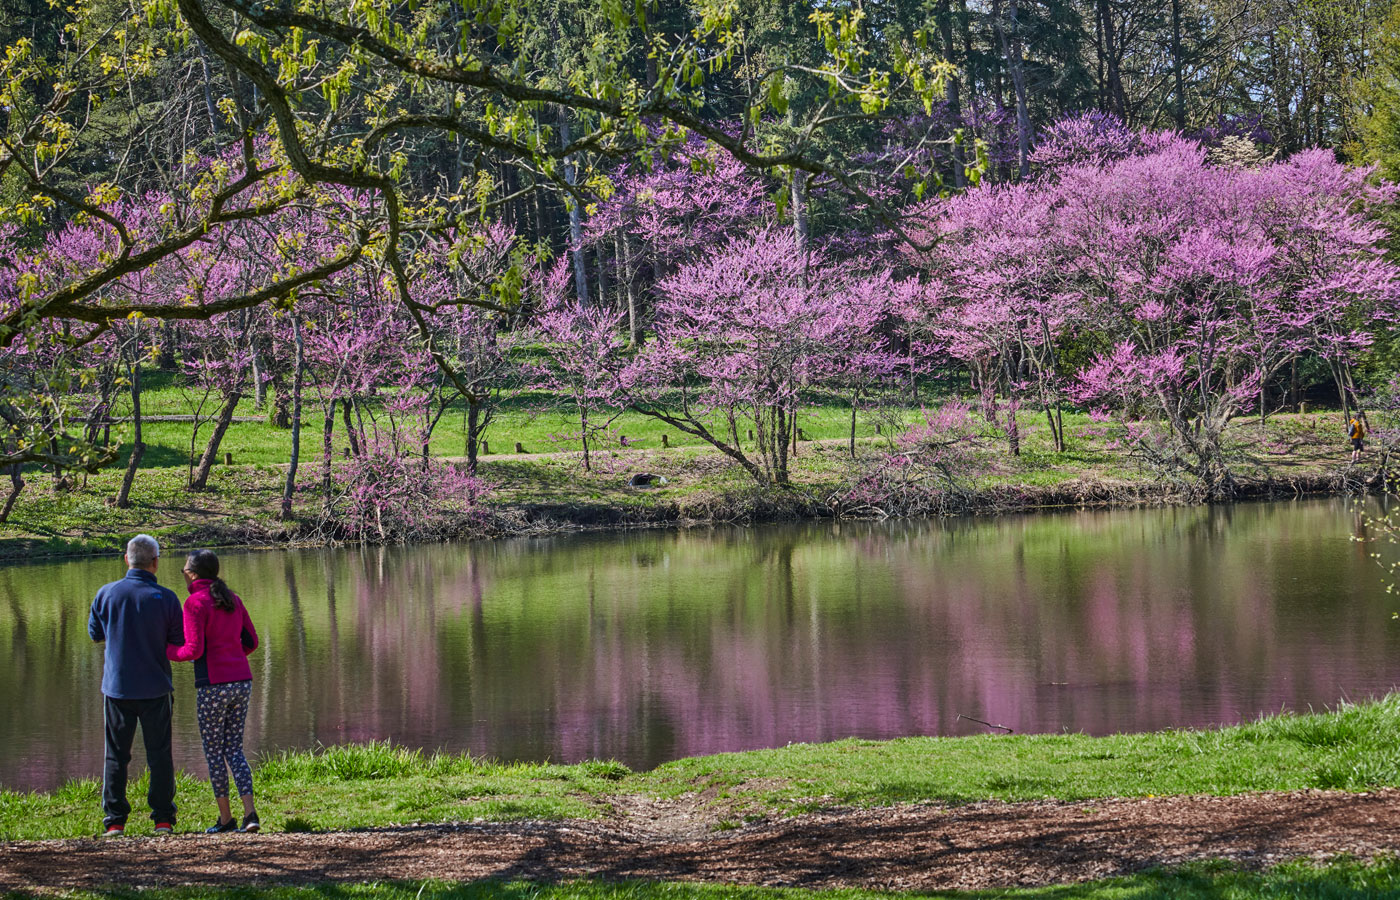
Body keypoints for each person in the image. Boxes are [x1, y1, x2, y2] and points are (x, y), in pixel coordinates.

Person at [88, 534, 183, 837]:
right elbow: (178, 641)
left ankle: (115, 821)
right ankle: (163, 820)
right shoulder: (167, 598)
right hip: (156, 688)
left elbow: (95, 634)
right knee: (160, 754)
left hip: (117, 689)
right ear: (156, 562)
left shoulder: (106, 594)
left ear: (126, 559)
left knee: (116, 755)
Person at [166, 549, 262, 834]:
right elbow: (252, 641)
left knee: (214, 753)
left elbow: (193, 650)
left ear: (193, 573)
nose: (182, 572)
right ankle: (251, 814)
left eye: (184, 568)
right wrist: (233, 657)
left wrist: (166, 651)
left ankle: (225, 820)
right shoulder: (233, 598)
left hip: (212, 686)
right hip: (242, 681)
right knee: (235, 750)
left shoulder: (194, 603)